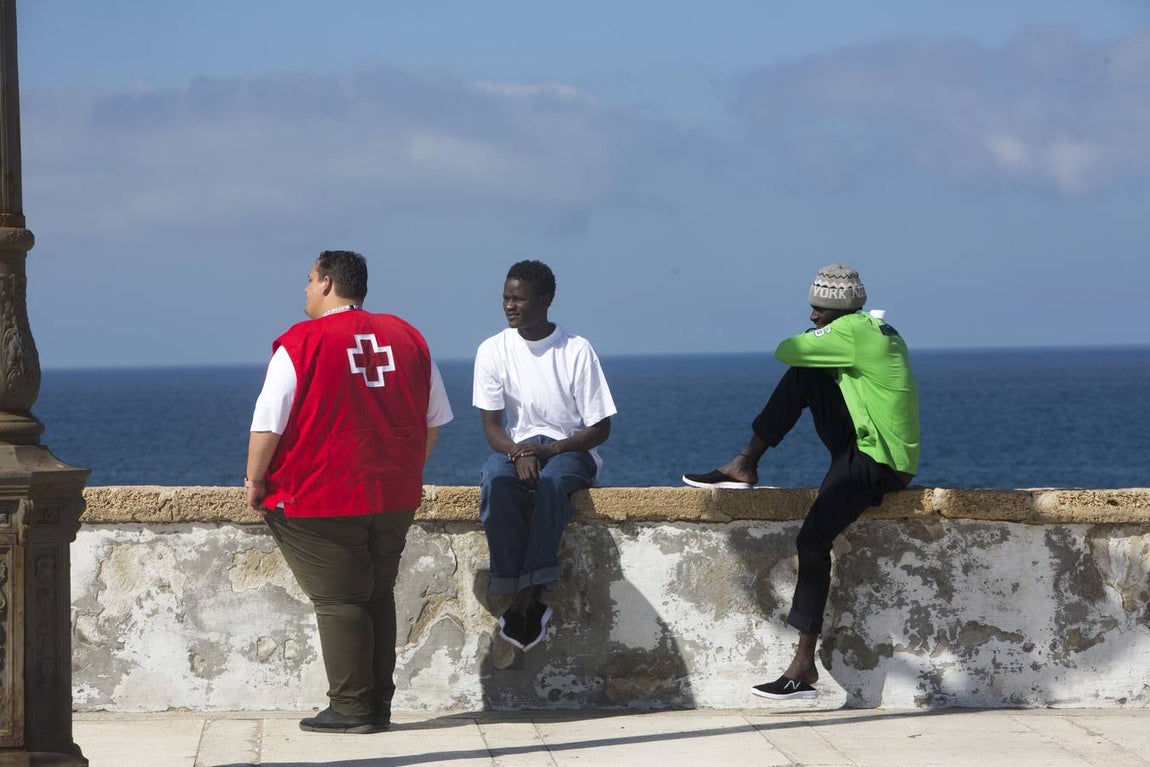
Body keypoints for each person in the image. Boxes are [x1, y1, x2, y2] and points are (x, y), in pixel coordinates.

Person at [683, 264, 919, 701]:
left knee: (812, 541)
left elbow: (786, 348)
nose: (812, 316)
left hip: (876, 462)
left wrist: (816, 337)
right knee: (806, 373)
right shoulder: (874, 329)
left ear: (837, 311)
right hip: (867, 448)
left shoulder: (852, 332)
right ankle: (744, 464)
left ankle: (803, 666)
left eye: (818, 310)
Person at [245, 250, 453, 733]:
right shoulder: (408, 337)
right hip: (393, 494)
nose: (304, 288)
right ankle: (377, 704)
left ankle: (351, 707)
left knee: (340, 600)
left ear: (327, 283)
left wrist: (255, 481)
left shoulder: (301, 342)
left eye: (309, 279)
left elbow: (268, 423)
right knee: (378, 594)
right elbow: (435, 418)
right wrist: (407, 470)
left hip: (322, 494)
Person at [473, 260, 617, 651]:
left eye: (519, 299)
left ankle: (525, 598)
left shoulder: (576, 349)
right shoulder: (492, 350)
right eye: (506, 297)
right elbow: (492, 428)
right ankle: (516, 584)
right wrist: (518, 452)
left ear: (546, 300)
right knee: (495, 482)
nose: (509, 306)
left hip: (569, 447)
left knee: (552, 484)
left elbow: (600, 428)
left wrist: (551, 449)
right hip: (519, 448)